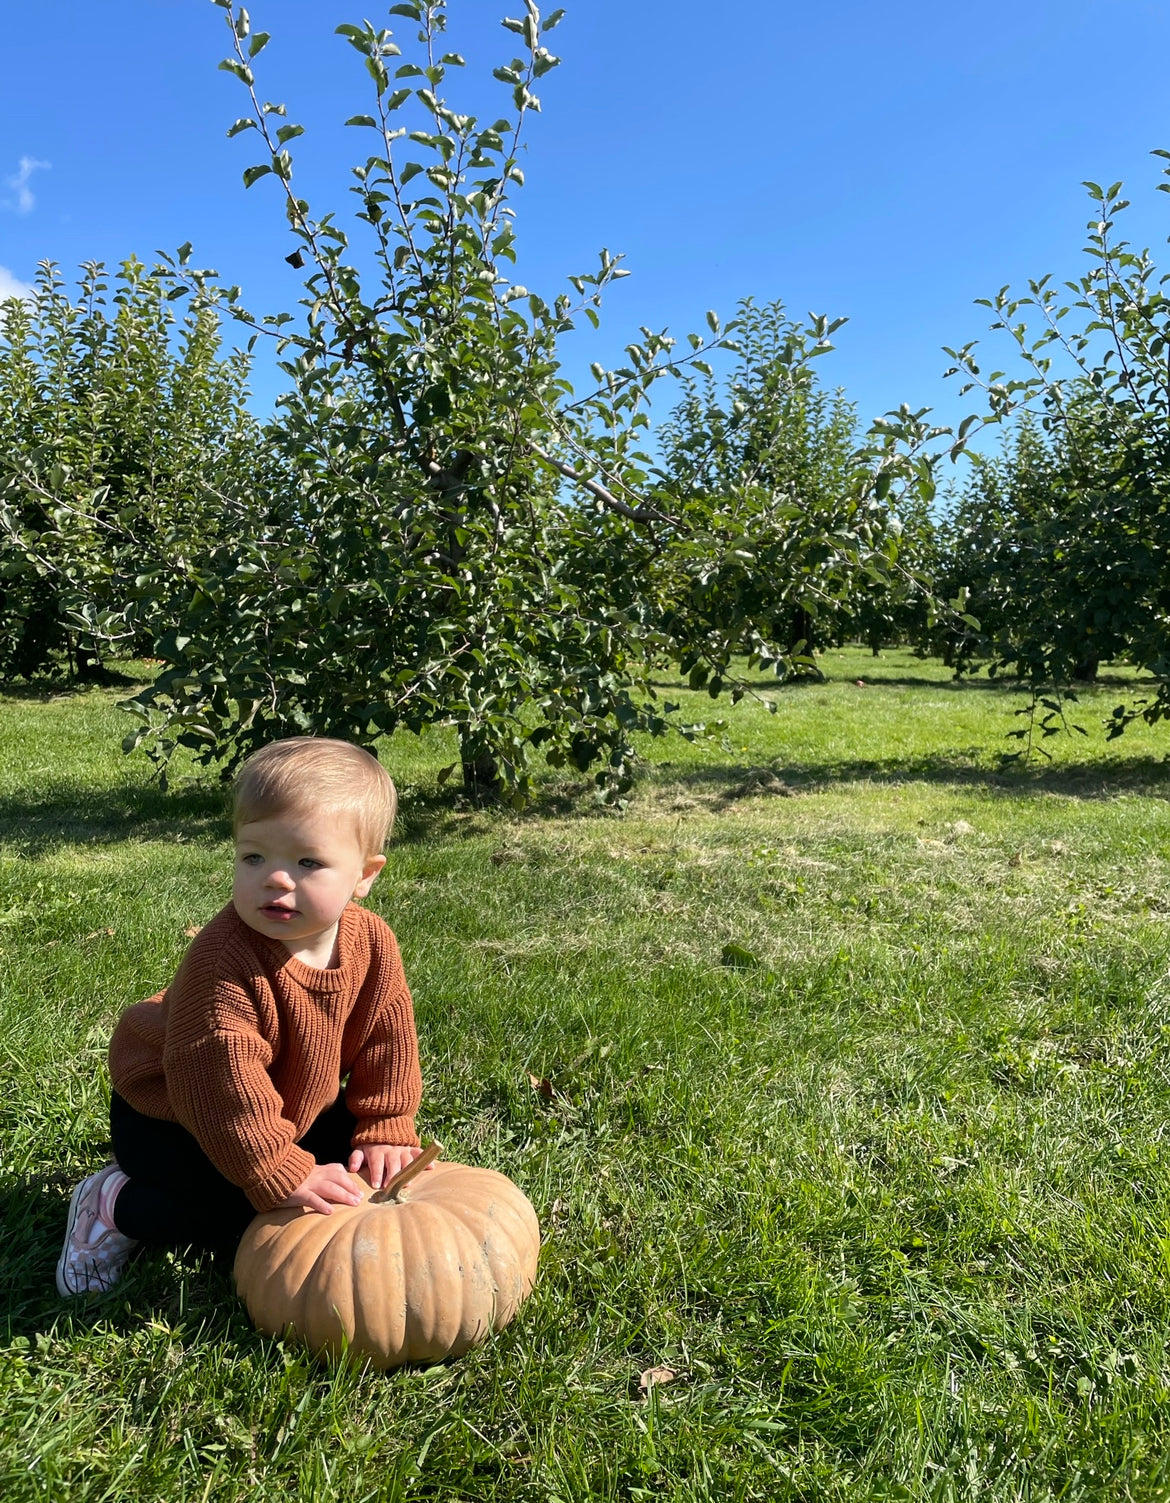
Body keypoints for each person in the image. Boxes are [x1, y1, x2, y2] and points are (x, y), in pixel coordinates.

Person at [57, 736, 425, 1297]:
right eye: (254, 857)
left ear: (365, 874)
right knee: (229, 1211)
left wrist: (385, 1125)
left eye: (308, 862)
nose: (275, 879)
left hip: (278, 1098)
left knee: (357, 1168)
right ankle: (112, 1203)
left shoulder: (372, 941)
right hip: (171, 1111)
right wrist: (281, 1170)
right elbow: (218, 1083)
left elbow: (387, 1039)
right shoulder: (223, 960)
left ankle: (287, 1156)